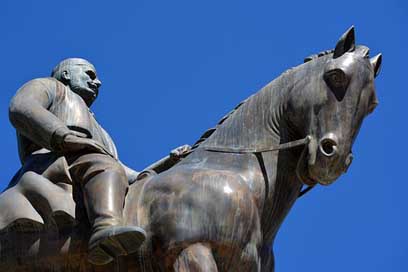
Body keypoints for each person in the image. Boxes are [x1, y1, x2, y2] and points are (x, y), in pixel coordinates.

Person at [8, 58, 189, 265]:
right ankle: (105, 228)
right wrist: (63, 137)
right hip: (54, 163)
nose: (98, 82)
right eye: (90, 74)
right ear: (66, 74)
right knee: (104, 165)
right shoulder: (50, 87)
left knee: (120, 173)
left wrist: (169, 162)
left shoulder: (99, 130)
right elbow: (21, 106)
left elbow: (123, 173)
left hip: (92, 166)